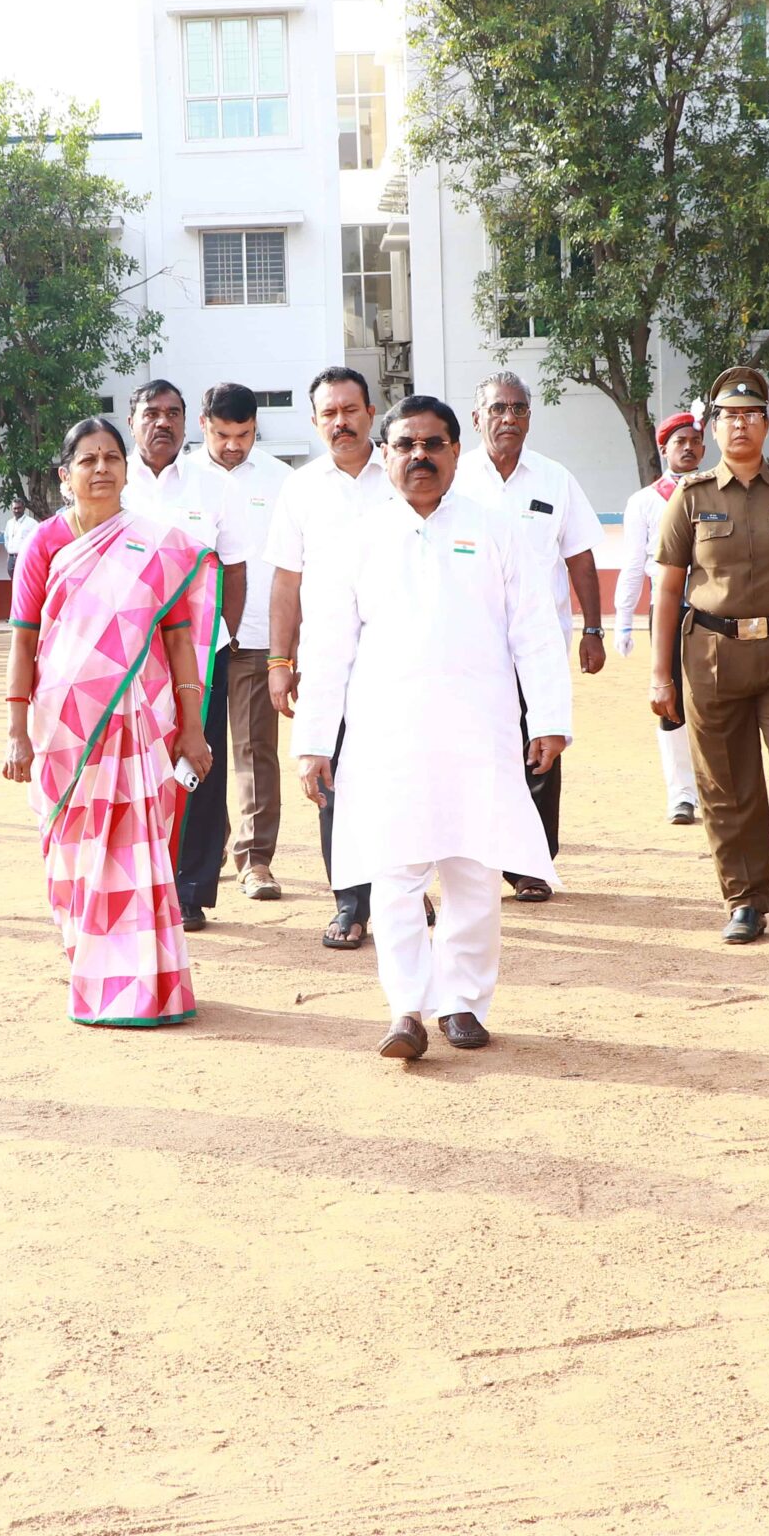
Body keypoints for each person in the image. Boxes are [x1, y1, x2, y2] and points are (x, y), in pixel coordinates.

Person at [296, 397, 572, 1059]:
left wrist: (549, 718)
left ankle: (463, 1003)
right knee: (395, 873)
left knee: (473, 869)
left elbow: (535, 630)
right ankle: (407, 1009)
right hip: (386, 735)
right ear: (385, 453)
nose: (419, 456)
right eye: (405, 444)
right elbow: (327, 647)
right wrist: (313, 741)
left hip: (479, 730)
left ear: (455, 452)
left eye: (433, 444)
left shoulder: (495, 529)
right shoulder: (356, 538)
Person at [1, 416, 216, 1027]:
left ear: (126, 469)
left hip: (134, 722)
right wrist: (16, 730)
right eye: (88, 459)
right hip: (62, 726)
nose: (101, 468)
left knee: (137, 851)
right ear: (64, 475)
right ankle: (91, 967)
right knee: (71, 854)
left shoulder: (155, 544)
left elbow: (179, 642)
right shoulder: (44, 543)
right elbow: (23, 640)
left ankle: (146, 984)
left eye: (112, 458)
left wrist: (192, 727)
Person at [649, 369, 769, 951]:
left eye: (751, 415)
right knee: (726, 785)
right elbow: (667, 590)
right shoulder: (691, 497)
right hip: (713, 658)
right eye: (729, 416)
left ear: (766, 424)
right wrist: (660, 675)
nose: (740, 425)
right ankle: (745, 901)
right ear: (713, 427)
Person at [451, 372, 608, 900]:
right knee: (470, 750)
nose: (509, 418)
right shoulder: (454, 478)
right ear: (477, 418)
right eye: (498, 408)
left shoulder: (554, 479)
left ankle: (531, 866)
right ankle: (470, 860)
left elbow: (580, 556)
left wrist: (592, 629)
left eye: (518, 408)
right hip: (467, 645)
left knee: (539, 745)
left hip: (537, 645)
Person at [265, 365, 393, 947]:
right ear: (315, 422)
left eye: (350, 410)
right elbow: (286, 582)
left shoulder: (402, 473)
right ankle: (349, 903)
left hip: (401, 661)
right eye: (329, 414)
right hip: (328, 663)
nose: (341, 422)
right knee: (331, 782)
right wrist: (279, 661)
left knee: (402, 780)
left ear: (371, 412)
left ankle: (403, 891)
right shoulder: (301, 489)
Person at [125, 378, 250, 932]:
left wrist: (222, 635)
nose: (163, 422)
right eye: (152, 413)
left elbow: (236, 569)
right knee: (133, 764)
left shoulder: (214, 486)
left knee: (197, 761)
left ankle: (191, 888)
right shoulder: (112, 478)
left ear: (187, 421)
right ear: (132, 421)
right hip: (127, 654)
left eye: (174, 413)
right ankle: (136, 880)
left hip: (200, 654)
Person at [186, 383, 292, 902]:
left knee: (256, 750)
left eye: (244, 435)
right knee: (196, 748)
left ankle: (255, 860)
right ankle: (204, 849)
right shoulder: (182, 477)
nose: (233, 446)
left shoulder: (282, 480)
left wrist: (287, 644)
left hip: (254, 637)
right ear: (203, 424)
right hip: (194, 643)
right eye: (223, 434)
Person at [616, 409, 705, 825]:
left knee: (718, 701)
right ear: (664, 449)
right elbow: (634, 564)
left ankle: (717, 788)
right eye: (679, 442)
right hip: (668, 610)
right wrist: (623, 619)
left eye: (695, 441)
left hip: (716, 609)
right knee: (670, 702)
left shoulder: (716, 491)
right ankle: (681, 793)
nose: (688, 448)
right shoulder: (645, 501)